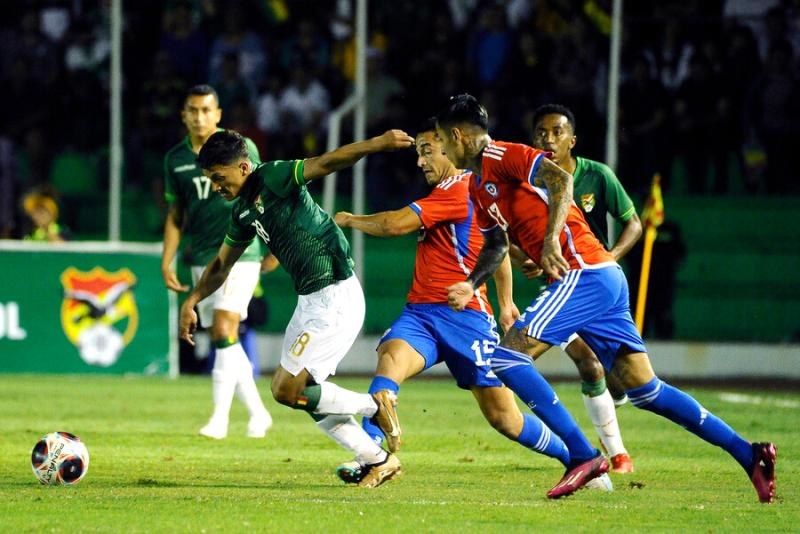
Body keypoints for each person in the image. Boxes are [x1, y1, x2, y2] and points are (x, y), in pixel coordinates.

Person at [440, 94, 777, 503]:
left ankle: (582, 455)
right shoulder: (478, 185)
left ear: (456, 134)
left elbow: (561, 180)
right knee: (645, 389)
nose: (442, 149)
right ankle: (750, 454)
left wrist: (548, 243)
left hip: (584, 273)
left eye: (442, 139)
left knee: (507, 358)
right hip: (602, 277)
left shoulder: (504, 153)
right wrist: (472, 283)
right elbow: (496, 244)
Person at [332, 118, 614, 489]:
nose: (420, 161)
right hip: (421, 314)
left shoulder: (461, 187)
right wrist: (508, 301)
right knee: (389, 364)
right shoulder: (455, 191)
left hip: (466, 320)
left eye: (426, 151)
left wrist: (350, 219)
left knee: (505, 418)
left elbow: (395, 225)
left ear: (448, 145)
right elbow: (495, 249)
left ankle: (575, 458)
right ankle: (372, 455)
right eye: (417, 153)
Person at [179, 128, 415, 488]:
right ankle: (376, 459)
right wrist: (194, 300)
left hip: (335, 293)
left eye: (218, 177)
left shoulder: (272, 176)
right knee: (301, 393)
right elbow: (220, 265)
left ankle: (374, 405)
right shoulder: (243, 211)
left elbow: (327, 162)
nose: (215, 186)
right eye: (210, 179)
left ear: (243, 167)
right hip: (310, 301)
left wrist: (377, 144)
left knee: (289, 390)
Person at [529, 103, 641, 473]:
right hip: (560, 289)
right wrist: (529, 256)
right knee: (589, 365)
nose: (549, 138)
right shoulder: (530, 184)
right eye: (541, 132)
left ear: (572, 140)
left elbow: (634, 225)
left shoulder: (597, 176)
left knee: (622, 379)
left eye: (557, 131)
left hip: (598, 287)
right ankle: (616, 455)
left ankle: (613, 402)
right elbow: (510, 237)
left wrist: (608, 257)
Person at [162, 84, 272, 440]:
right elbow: (177, 212)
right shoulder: (176, 159)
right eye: (192, 110)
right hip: (204, 256)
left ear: (218, 114)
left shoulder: (241, 147)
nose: (199, 117)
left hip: (242, 251)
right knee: (224, 337)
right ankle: (258, 413)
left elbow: (263, 192)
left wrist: (274, 245)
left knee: (225, 327)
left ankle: (219, 419)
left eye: (206, 110)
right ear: (183, 115)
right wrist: (168, 259)